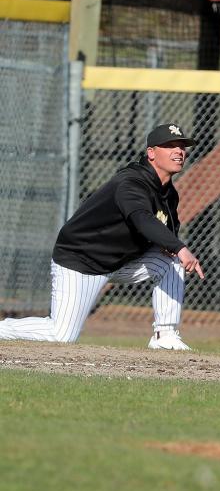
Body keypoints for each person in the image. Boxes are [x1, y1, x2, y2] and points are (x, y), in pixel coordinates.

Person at [0, 123, 204, 350]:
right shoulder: (131, 183)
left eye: (182, 146)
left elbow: (168, 229)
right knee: (61, 335)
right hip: (81, 261)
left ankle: (164, 335)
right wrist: (180, 247)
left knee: (172, 259)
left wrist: (174, 247)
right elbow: (141, 217)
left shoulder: (168, 193)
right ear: (151, 153)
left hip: (120, 263)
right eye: (170, 146)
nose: (179, 151)